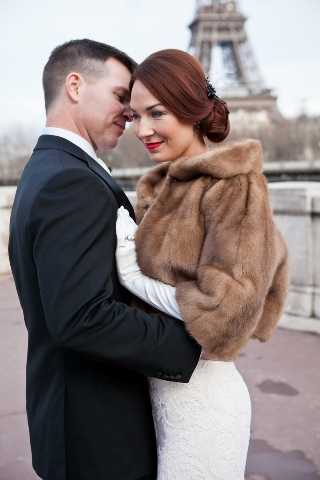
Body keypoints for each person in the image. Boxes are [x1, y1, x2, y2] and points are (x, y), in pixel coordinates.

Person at [8, 40, 201, 480]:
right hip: (97, 433)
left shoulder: (48, 169)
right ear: (75, 86)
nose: (131, 114)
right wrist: (195, 340)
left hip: (76, 421)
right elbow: (81, 316)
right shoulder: (71, 181)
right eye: (121, 96)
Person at [115, 49, 289, 479]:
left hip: (203, 405)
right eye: (135, 116)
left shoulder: (234, 184)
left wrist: (130, 272)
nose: (143, 129)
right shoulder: (161, 191)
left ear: (193, 110)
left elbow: (229, 315)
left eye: (156, 113)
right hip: (157, 395)